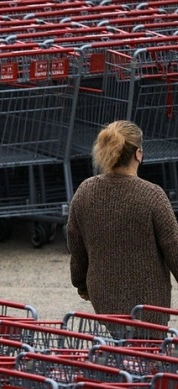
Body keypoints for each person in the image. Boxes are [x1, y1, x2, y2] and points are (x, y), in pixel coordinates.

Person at [67, 120, 178, 328]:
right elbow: (174, 248)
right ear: (138, 154)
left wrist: (81, 284)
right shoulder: (152, 195)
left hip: (103, 297)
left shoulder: (85, 191)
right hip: (148, 303)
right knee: (146, 353)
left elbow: (76, 245)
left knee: (115, 350)